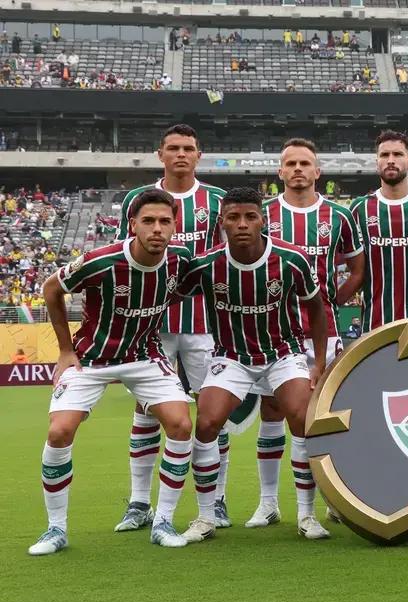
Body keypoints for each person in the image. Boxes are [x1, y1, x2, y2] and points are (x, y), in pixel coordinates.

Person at [28, 190, 195, 555]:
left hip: (145, 356)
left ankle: (163, 520)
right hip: (91, 360)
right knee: (59, 431)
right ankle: (55, 530)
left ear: (174, 225)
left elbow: (186, 288)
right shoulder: (99, 261)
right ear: (132, 225)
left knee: (182, 425)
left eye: (165, 222)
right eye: (148, 221)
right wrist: (64, 350)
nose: (157, 229)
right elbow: (51, 289)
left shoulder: (181, 260)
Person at [176, 187, 328, 544]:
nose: (242, 224)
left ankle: (307, 514)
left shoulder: (292, 260)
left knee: (302, 418)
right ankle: (205, 516)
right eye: (233, 217)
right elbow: (165, 295)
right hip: (232, 357)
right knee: (208, 421)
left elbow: (317, 309)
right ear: (221, 222)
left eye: (250, 217)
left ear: (264, 220)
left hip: (282, 354)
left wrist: (317, 362)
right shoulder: (205, 266)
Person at [113, 124, 241, 533]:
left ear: (198, 155)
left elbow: (229, 262)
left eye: (188, 148)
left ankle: (216, 499)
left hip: (207, 323)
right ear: (160, 154)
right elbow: (124, 260)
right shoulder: (138, 199)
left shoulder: (217, 200)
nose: (181, 154)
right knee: (147, 411)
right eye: (173, 148)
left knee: (211, 414)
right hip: (153, 324)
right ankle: (138, 503)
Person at [244, 138, 364, 537]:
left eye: (305, 163)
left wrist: (330, 300)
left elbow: (357, 269)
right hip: (272, 331)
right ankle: (267, 503)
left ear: (318, 172)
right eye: (290, 163)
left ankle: (326, 501)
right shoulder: (262, 215)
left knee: (319, 415)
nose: (298, 169)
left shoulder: (338, 217)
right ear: (280, 172)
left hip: (323, 333)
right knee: (272, 413)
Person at [349, 130, 408, 333]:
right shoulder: (359, 209)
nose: (390, 160)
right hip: (374, 327)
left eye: (398, 154)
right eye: (384, 155)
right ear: (377, 162)